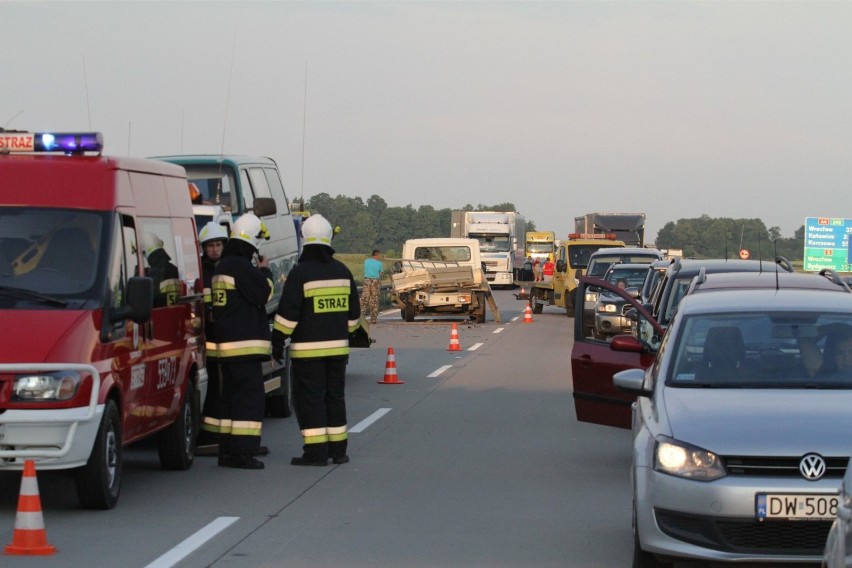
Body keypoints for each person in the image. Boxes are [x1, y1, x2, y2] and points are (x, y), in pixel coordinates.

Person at [272, 214, 362, 467]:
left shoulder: (301, 273)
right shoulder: (343, 272)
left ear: (305, 239)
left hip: (307, 354)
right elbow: (354, 319)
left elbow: (288, 314)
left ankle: (316, 453)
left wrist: (278, 340)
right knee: (335, 397)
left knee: (310, 400)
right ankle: (338, 451)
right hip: (337, 352)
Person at [210, 213, 272, 469]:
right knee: (249, 401)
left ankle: (228, 450)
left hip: (227, 346)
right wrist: (265, 270)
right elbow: (263, 292)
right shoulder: (240, 266)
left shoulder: (222, 266)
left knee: (231, 402)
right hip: (245, 347)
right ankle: (243, 453)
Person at [196, 222, 229, 453]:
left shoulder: (229, 269)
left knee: (223, 388)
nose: (215, 250)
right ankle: (208, 435)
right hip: (206, 340)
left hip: (226, 338)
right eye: (210, 246)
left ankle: (218, 434)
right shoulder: (200, 272)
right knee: (211, 388)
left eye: (218, 245)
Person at [144, 233, 180, 306]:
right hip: (174, 312)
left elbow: (151, 301)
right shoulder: (173, 269)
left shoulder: (154, 273)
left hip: (159, 315)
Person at [360, 249, 383, 324]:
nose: (380, 257)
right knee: (374, 300)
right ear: (377, 255)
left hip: (367, 280)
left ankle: (361, 317)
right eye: (380, 255)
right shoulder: (380, 263)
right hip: (375, 281)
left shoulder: (366, 261)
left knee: (364, 299)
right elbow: (381, 273)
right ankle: (373, 319)